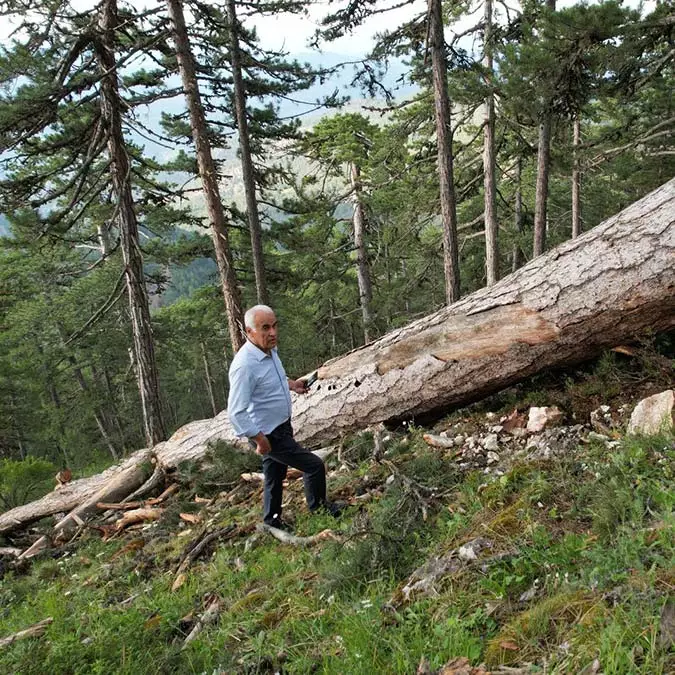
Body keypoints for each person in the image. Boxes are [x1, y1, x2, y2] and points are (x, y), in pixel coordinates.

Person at [227, 304, 341, 530]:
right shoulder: (244, 366)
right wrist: (260, 440)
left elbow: (271, 380)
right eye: (265, 328)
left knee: (274, 476)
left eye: (274, 326)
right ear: (249, 332)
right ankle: (319, 510)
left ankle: (272, 521)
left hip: (280, 426)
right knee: (314, 465)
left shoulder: (269, 351)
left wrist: (293, 385)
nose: (273, 333)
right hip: (268, 433)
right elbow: (235, 412)